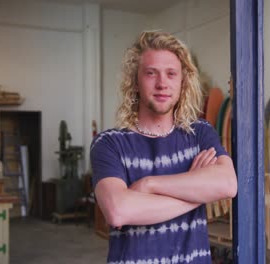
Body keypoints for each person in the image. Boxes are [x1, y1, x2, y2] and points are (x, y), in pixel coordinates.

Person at [90, 31, 238, 264]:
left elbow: (227, 184)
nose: (162, 84)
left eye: (171, 74)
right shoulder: (109, 144)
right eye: (151, 73)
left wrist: (150, 185)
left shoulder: (199, 133)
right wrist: (196, 191)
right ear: (135, 81)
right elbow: (118, 211)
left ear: (182, 82)